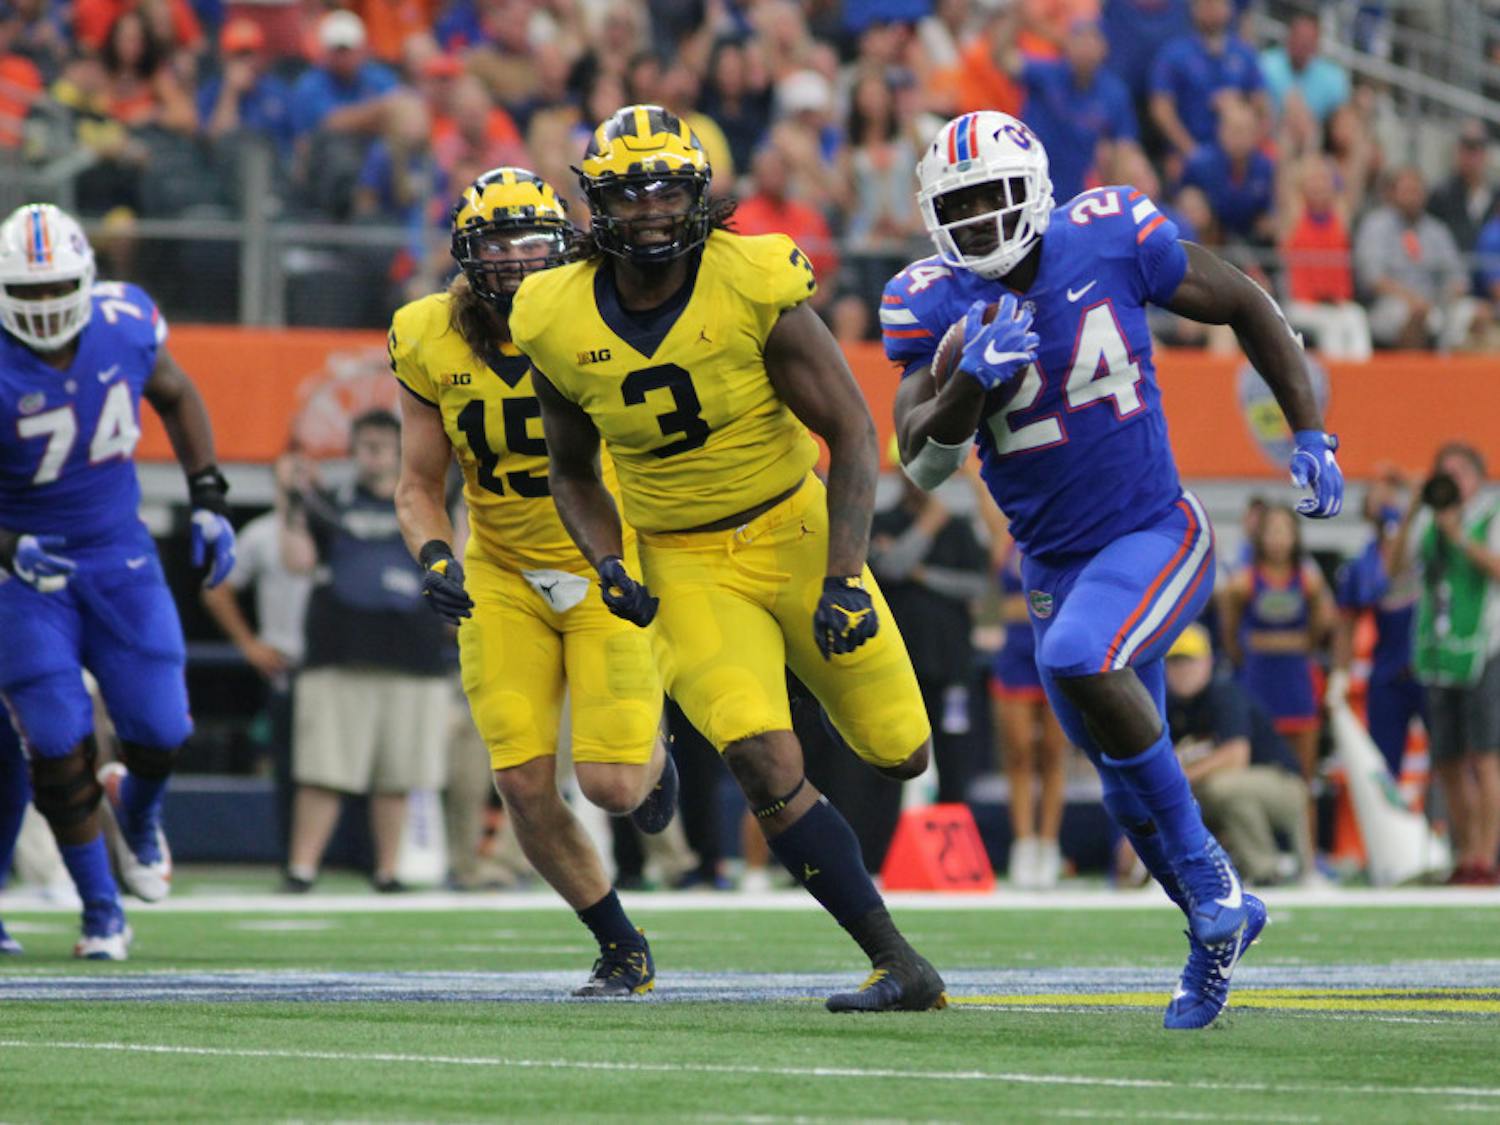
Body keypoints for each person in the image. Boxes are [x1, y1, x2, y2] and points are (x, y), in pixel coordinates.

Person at [887, 111, 1343, 1028]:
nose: (976, 219)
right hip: (1053, 563)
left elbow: (1248, 300)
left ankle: (1214, 875)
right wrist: (968, 382)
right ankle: (1214, 933)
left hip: (1153, 531)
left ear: (1032, 193)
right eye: (957, 205)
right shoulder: (928, 300)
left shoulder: (1108, 235)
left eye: (990, 198)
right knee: (1128, 789)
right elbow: (918, 456)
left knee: (1078, 657)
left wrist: (1309, 433)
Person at [514, 105, 947, 1014]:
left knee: (900, 751)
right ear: (597, 206)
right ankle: (896, 960)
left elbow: (855, 432)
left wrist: (843, 571)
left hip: (794, 528)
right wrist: (607, 559)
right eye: (632, 194)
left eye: (670, 189)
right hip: (682, 559)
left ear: (700, 194)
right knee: (761, 757)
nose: (653, 211)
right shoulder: (550, 313)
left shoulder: (750, 277)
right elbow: (570, 465)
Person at [392, 167, 675, 996]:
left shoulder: (601, 310)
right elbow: (418, 482)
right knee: (518, 778)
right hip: (505, 570)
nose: (515, 260)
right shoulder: (425, 333)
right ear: (465, 254)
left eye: (530, 241)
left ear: (567, 245)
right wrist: (435, 554)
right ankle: (619, 943)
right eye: (496, 243)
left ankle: (661, 742)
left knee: (614, 785)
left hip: (603, 566)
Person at [0, 202, 237, 956]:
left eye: (54, 288)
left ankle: (139, 810)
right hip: (21, 571)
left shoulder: (125, 321)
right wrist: (8, 547)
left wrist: (208, 497)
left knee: (161, 726)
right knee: (57, 736)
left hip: (117, 551)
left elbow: (175, 390)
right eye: (25, 292)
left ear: (84, 280)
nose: (42, 305)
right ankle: (101, 907)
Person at [278, 409, 451, 893]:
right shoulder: (330, 501)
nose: (370, 455)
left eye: (381, 445)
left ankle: (387, 870)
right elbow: (297, 561)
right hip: (339, 651)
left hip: (412, 654)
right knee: (323, 771)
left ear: (402, 450)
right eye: (363, 444)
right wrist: (289, 497)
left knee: (398, 773)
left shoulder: (428, 502)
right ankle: (301, 869)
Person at [1387, 443, 1500, 885]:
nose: (1450, 483)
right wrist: (1414, 509)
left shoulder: (1490, 515)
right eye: (1443, 474)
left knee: (1487, 757)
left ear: (1477, 478)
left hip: (1484, 648)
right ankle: (1465, 853)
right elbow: (1393, 571)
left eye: (1458, 474)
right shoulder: (1429, 521)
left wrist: (1458, 537)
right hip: (1437, 654)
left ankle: (1486, 857)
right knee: (1449, 760)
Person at [1166, 624, 1315, 885]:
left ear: (1207, 662)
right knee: (1184, 797)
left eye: (1189, 661)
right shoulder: (1170, 706)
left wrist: (1176, 781)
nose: (1182, 671)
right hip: (1227, 792)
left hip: (1283, 784)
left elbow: (1236, 757)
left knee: (1221, 787)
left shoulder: (1224, 693)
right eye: (1175, 663)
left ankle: (1266, 868)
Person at [1218, 502, 1335, 785]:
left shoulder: (1310, 582)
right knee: (1253, 773)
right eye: (1272, 531)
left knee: (1303, 776)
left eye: (1285, 531)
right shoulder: (1241, 584)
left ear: (1296, 536)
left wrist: (1300, 645)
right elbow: (1229, 634)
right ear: (1259, 536)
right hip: (1257, 682)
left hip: (1297, 685)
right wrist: (1248, 652)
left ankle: (1305, 829)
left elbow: (1324, 625)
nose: (1278, 539)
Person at [988, 522, 1068, 890]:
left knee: (1053, 752)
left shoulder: (1066, 528)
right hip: (1017, 655)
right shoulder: (1006, 533)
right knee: (1018, 752)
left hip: (1056, 647)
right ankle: (1024, 844)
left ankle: (1049, 844)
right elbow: (980, 478)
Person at [1332, 475, 1423, 778]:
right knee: (1384, 764)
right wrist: (1340, 675)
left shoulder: (1425, 549)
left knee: (1454, 760)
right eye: (1376, 496)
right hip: (1387, 673)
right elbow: (1346, 622)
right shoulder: (1362, 564)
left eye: (1391, 495)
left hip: (1430, 670)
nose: (1385, 502)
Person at [1353, 166, 1479, 351]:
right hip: (1390, 304)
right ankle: (1411, 376)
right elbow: (1373, 278)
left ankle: (1455, 376)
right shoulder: (1376, 226)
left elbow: (1457, 276)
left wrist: (1446, 295)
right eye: (1406, 191)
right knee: (1415, 314)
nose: (1412, 197)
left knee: (1473, 313)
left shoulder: (1436, 230)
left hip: (1436, 301)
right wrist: (1413, 300)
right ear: (1393, 193)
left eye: (1417, 191)